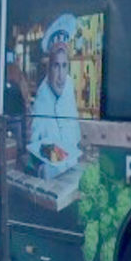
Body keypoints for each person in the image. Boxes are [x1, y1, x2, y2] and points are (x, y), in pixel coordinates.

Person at [28, 14, 81, 174]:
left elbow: (75, 136)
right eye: (56, 66)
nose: (61, 76)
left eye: (64, 66)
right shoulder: (42, 95)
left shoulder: (70, 85)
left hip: (72, 167)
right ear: (48, 68)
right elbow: (36, 148)